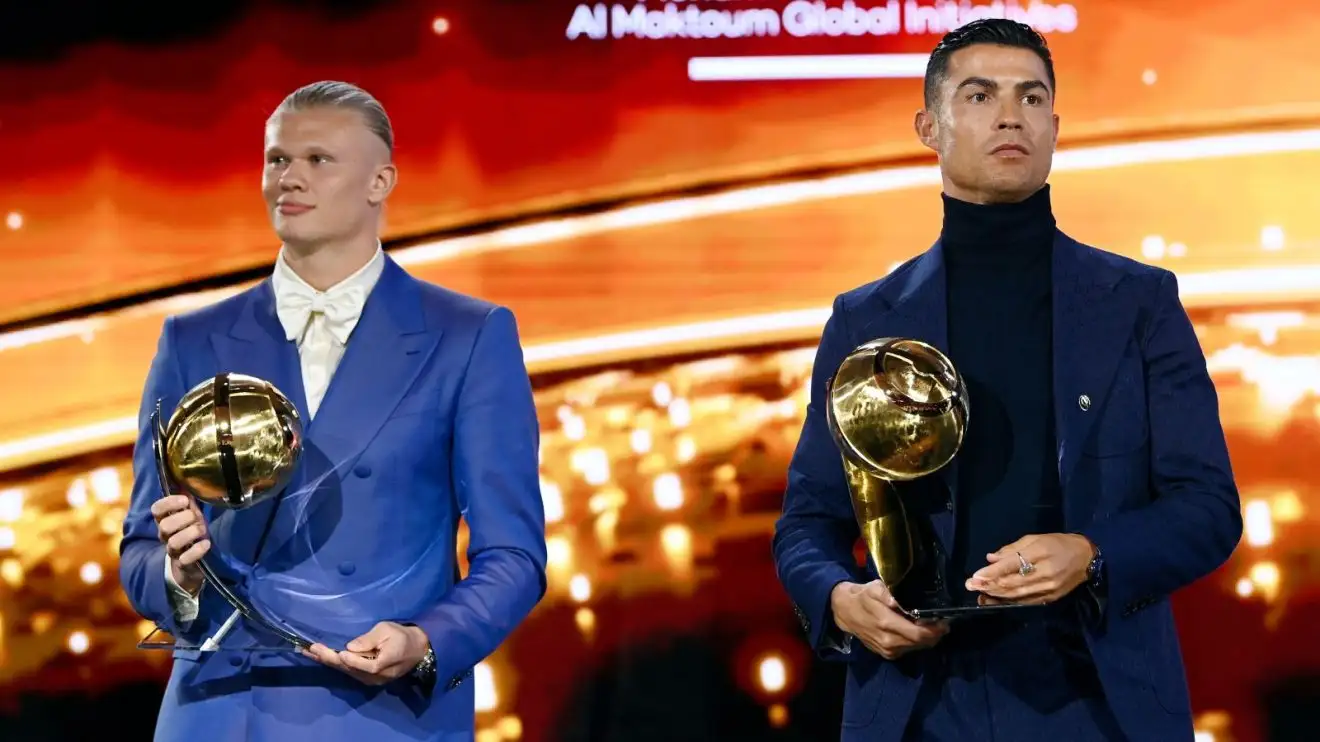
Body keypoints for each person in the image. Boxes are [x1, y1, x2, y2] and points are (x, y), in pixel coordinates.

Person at [772, 19, 1242, 742]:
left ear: (1055, 126)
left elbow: (1208, 506)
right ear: (929, 125)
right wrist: (838, 598)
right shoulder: (865, 320)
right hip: (917, 705)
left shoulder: (1139, 304)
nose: (1008, 116)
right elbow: (809, 522)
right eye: (980, 95)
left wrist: (1093, 556)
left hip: (1099, 702)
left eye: (1031, 98)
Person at [118, 80, 548, 741]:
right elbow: (142, 547)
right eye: (276, 159)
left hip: (384, 715)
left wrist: (426, 640)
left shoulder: (469, 336)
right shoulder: (192, 340)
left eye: (318, 160)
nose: (289, 178)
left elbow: (514, 554)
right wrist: (176, 575)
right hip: (222, 713)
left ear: (381, 182)